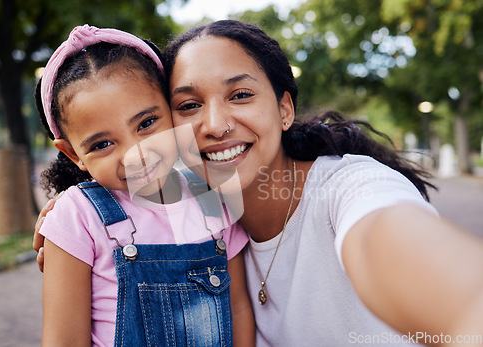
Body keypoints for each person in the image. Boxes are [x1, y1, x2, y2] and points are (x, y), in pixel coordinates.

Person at [35, 20, 483, 346]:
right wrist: (71, 214)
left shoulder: (349, 189)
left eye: (241, 94)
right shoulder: (194, 201)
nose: (214, 124)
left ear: (285, 108)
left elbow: (388, 240)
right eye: (189, 105)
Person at [34, 24, 254, 346]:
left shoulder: (214, 197)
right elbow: (63, 340)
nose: (134, 155)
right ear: (73, 154)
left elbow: (239, 308)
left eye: (147, 123)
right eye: (102, 144)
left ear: (172, 108)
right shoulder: (78, 217)